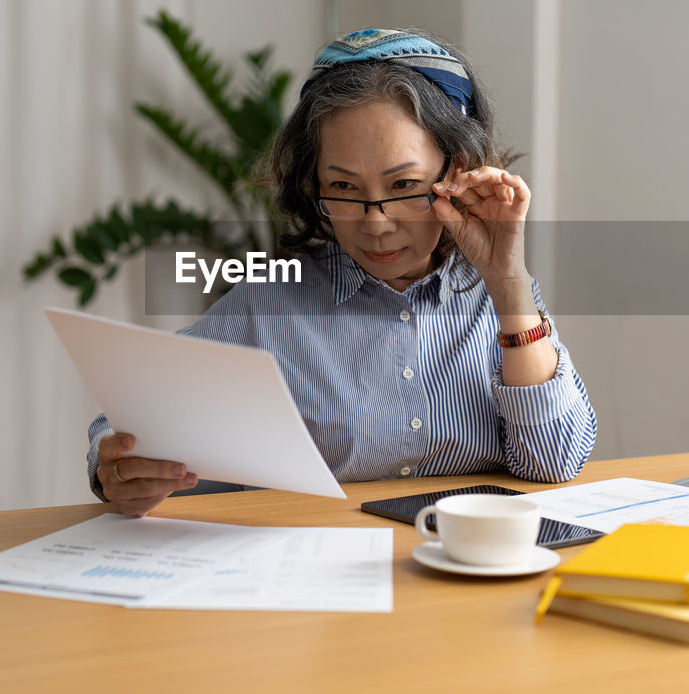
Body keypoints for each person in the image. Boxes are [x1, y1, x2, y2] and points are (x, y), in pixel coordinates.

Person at [87, 28, 596, 516]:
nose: (375, 224)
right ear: (314, 182)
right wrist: (117, 469)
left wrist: (508, 283)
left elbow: (553, 463)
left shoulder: (500, 301)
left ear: (456, 171)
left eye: (403, 186)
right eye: (345, 189)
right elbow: (131, 416)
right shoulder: (272, 297)